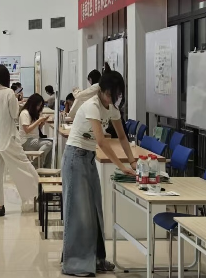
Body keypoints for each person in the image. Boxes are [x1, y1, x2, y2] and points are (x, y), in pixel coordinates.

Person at [62, 70, 137, 277]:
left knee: (95, 210)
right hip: (75, 157)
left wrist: (132, 161)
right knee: (79, 212)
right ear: (101, 90)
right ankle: (76, 263)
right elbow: (102, 142)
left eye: (115, 95)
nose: (110, 99)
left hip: (87, 158)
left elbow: (122, 137)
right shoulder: (92, 105)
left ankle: (96, 259)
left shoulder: (112, 109)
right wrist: (121, 166)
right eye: (108, 94)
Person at [0, 66, 37, 217]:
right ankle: (36, 194)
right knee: (24, 166)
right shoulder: (8, 93)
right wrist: (17, 101)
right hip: (7, 139)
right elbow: (14, 114)